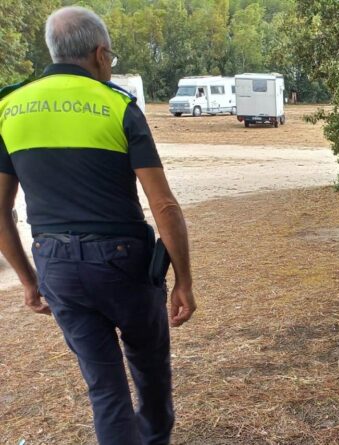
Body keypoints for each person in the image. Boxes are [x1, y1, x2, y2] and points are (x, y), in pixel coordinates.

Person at [0, 6, 195, 444]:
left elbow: (0, 209)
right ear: (101, 54)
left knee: (105, 390)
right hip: (124, 263)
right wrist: (183, 280)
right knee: (150, 371)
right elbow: (163, 204)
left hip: (56, 266)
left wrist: (30, 282)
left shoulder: (9, 108)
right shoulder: (117, 105)